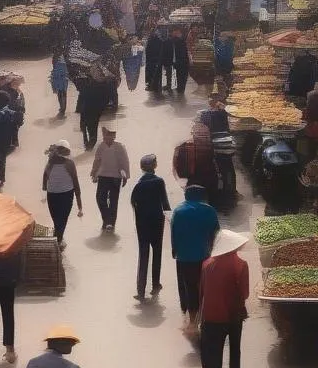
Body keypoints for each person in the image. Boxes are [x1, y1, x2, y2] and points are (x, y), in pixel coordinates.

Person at [199, 229, 250, 368]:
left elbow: (202, 291)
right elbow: (245, 293)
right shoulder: (241, 265)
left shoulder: (206, 264)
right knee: (235, 348)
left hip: (211, 317)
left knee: (215, 354)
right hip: (234, 315)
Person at [170, 184, 220, 327]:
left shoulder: (179, 211)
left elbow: (174, 233)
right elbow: (217, 233)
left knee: (188, 286)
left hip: (184, 256)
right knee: (204, 286)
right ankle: (205, 316)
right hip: (205, 255)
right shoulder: (209, 211)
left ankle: (190, 318)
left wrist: (175, 250)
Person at [130, 153, 171, 301]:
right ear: (154, 166)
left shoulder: (139, 184)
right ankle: (155, 285)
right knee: (157, 253)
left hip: (142, 224)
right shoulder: (159, 182)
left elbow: (133, 202)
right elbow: (165, 204)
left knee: (143, 254)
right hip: (156, 222)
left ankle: (141, 290)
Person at [42, 140, 83, 248]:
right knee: (62, 219)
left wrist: (45, 189)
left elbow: (45, 178)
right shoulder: (69, 164)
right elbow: (75, 182)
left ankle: (58, 239)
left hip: (52, 195)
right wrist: (80, 204)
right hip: (66, 195)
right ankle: (58, 240)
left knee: (56, 220)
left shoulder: (50, 163)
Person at [90, 126, 130, 231]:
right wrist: (94, 173)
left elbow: (124, 162)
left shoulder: (120, 147)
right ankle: (107, 219)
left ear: (113, 136)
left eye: (108, 135)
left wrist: (125, 176)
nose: (106, 138)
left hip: (116, 177)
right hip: (103, 176)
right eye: (105, 136)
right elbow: (97, 161)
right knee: (100, 198)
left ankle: (110, 223)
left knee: (113, 200)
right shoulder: (101, 146)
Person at [78, 77, 110, 149]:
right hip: (94, 112)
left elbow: (81, 99)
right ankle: (88, 144)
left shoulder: (86, 86)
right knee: (92, 130)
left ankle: (87, 144)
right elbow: (106, 99)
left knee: (87, 129)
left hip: (88, 111)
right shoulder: (102, 86)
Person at [3, 73, 26, 148]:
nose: (18, 85)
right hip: (9, 111)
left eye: (18, 84)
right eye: (17, 84)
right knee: (12, 127)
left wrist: (21, 109)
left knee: (15, 127)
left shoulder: (17, 91)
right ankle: (13, 142)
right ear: (12, 83)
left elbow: (21, 102)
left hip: (15, 111)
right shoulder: (7, 90)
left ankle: (14, 142)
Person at [144, 22, 166, 94]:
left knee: (151, 73)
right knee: (157, 73)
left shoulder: (150, 41)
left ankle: (151, 85)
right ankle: (156, 85)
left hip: (151, 60)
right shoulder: (160, 41)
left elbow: (147, 51)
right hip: (157, 59)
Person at [171, 25, 190, 95]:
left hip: (179, 61)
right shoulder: (180, 41)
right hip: (182, 61)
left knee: (179, 75)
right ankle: (181, 89)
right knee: (182, 76)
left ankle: (180, 89)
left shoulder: (175, 40)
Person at [50, 50, 69, 117]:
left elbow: (54, 68)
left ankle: (62, 109)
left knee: (60, 93)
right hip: (63, 78)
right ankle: (62, 110)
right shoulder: (65, 56)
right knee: (63, 93)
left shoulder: (55, 58)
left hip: (58, 78)